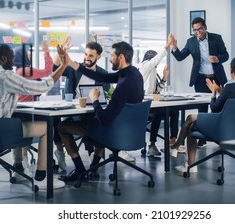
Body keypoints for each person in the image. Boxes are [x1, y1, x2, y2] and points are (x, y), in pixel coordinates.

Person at [0, 43, 69, 189]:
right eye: (11, 58)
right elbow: (43, 86)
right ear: (3, 58)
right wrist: (64, 64)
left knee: (16, 119)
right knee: (46, 127)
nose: (14, 62)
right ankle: (42, 176)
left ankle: (19, 167)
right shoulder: (4, 76)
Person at [57, 41, 144, 183]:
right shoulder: (133, 73)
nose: (110, 58)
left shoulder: (123, 85)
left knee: (62, 127)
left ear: (120, 57)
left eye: (112, 55)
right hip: (130, 131)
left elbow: (104, 119)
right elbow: (103, 77)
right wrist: (72, 63)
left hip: (113, 132)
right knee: (95, 121)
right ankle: (94, 165)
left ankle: (80, 169)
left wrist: (95, 99)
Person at [170, 56, 235, 173]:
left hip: (221, 128)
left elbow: (214, 108)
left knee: (190, 122)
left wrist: (213, 92)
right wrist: (221, 91)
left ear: (232, 71)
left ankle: (185, 159)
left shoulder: (229, 88)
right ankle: (176, 149)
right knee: (191, 123)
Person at [170, 17, 230, 147]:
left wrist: (218, 59)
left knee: (217, 107)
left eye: (200, 29)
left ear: (205, 27)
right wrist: (174, 48)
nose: (198, 32)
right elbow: (180, 57)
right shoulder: (191, 42)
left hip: (216, 78)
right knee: (202, 108)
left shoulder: (216, 38)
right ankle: (202, 138)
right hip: (201, 79)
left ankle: (217, 135)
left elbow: (226, 55)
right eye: (195, 30)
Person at [52, 41, 112, 168]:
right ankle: (78, 165)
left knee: (102, 123)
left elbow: (107, 94)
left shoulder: (103, 74)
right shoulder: (75, 69)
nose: (87, 58)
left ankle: (94, 164)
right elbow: (55, 68)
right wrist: (61, 53)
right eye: (86, 54)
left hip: (93, 113)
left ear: (98, 57)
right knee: (58, 124)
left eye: (91, 55)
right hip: (74, 113)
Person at [13, 41, 57, 174]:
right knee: (48, 128)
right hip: (27, 111)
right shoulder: (26, 71)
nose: (30, 56)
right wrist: (46, 52)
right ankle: (42, 170)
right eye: (28, 54)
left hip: (18, 112)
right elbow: (48, 71)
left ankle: (19, 162)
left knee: (20, 133)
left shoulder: (18, 71)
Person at [138, 34, 182, 156]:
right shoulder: (144, 67)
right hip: (144, 106)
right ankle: (152, 144)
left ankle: (173, 141)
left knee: (174, 111)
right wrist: (168, 44)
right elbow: (156, 60)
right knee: (158, 114)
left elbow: (157, 91)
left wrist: (164, 77)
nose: (156, 64)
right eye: (155, 62)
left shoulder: (153, 71)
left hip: (153, 104)